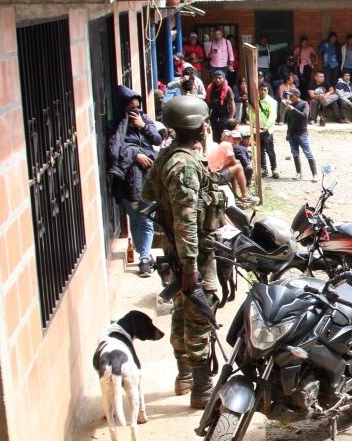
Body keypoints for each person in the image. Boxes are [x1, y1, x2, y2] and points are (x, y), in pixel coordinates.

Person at [143, 96, 227, 408]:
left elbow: (149, 195)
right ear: (200, 127)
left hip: (175, 251)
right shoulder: (184, 167)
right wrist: (191, 266)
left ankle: (185, 377)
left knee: (182, 314)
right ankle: (202, 390)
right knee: (199, 317)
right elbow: (186, 219)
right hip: (193, 255)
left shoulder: (168, 156)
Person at [106, 95, 163, 277]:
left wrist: (143, 126)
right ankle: (143, 253)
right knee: (136, 220)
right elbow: (115, 150)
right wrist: (135, 154)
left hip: (147, 179)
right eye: (131, 109)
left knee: (146, 219)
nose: (135, 112)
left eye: (138, 108)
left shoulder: (144, 120)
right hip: (127, 181)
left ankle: (144, 259)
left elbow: (157, 139)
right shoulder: (115, 126)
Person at [206, 126, 252, 202]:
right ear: (229, 138)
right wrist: (237, 162)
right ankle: (245, 194)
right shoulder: (227, 144)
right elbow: (234, 162)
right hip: (213, 176)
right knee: (238, 167)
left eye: (238, 140)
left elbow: (231, 163)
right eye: (234, 138)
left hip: (213, 175)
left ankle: (235, 196)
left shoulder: (224, 145)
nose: (235, 141)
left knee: (234, 170)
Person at [281, 88, 317, 180]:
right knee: (295, 154)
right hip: (292, 134)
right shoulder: (290, 105)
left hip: (302, 133)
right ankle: (298, 173)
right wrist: (288, 133)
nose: (290, 97)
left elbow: (305, 116)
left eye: (292, 96)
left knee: (308, 154)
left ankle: (315, 174)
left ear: (297, 95)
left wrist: (293, 109)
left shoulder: (304, 104)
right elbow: (288, 121)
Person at [246, 88, 279, 179]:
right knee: (260, 151)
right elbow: (249, 112)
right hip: (257, 129)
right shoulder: (254, 101)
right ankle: (264, 170)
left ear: (267, 91)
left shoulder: (272, 102)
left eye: (265, 90)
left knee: (270, 151)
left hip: (267, 130)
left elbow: (273, 116)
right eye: (261, 90)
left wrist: (266, 127)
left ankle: (274, 169)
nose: (263, 92)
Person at [204, 70, 235, 143]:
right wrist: (206, 118)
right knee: (215, 136)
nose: (217, 80)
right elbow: (208, 103)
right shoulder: (210, 88)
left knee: (224, 135)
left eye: (220, 78)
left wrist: (231, 117)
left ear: (223, 79)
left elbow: (232, 103)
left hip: (225, 115)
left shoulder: (228, 89)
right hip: (214, 115)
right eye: (216, 78)